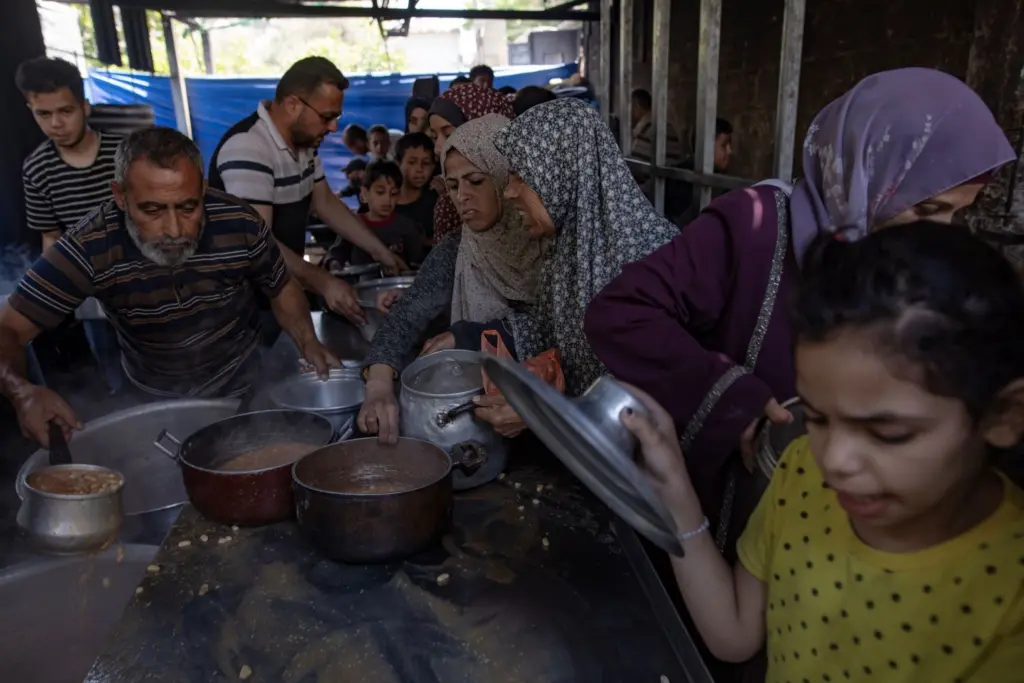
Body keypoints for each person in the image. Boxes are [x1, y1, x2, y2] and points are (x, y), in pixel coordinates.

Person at [584, 68, 1016, 556]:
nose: (941, 233)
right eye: (927, 210)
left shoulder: (910, 270)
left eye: (957, 212)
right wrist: (729, 397)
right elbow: (621, 312)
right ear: (868, 170)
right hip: (733, 525)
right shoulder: (755, 227)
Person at [623, 222, 1024, 681]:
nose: (834, 461)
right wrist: (674, 488)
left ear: (1004, 416)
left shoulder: (1011, 596)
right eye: (816, 418)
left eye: (888, 433)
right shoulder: (801, 472)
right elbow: (733, 636)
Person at [0, 128, 339, 447]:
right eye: (152, 210)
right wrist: (21, 391)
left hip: (248, 388)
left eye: (188, 207)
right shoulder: (90, 246)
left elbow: (281, 286)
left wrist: (307, 341)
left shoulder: (240, 221)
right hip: (155, 403)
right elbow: (9, 329)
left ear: (202, 189)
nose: (174, 230)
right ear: (120, 196)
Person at [464, 98, 678, 435]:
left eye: (520, 176)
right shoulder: (569, 249)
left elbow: (650, 401)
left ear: (563, 172)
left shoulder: (651, 257)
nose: (509, 193)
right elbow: (554, 334)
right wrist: (465, 336)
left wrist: (544, 411)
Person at [357, 114, 548, 443]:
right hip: (482, 422)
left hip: (549, 417)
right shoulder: (457, 248)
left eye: (476, 181)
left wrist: (469, 337)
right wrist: (378, 386)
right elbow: (407, 314)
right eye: (454, 185)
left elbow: (560, 332)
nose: (462, 196)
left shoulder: (548, 241)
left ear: (505, 176)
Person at [208, 57, 404, 326]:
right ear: (292, 105)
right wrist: (323, 282)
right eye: (327, 117)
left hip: (279, 295)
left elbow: (325, 203)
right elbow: (259, 243)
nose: (333, 127)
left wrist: (380, 252)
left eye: (336, 117)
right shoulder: (248, 147)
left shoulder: (305, 146)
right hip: (244, 309)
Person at [16, 57, 121, 251]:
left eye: (66, 111)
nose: (56, 124)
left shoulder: (125, 152)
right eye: (44, 114)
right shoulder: (36, 169)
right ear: (31, 110)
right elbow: (51, 236)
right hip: (86, 265)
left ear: (85, 107)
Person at [428, 83, 515, 241]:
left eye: (449, 134)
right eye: (434, 137)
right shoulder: (449, 207)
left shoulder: (534, 205)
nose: (438, 149)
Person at [326, 160, 425, 269]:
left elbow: (418, 264)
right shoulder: (353, 225)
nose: (387, 200)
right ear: (364, 193)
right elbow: (336, 253)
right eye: (380, 192)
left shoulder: (407, 226)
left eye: (393, 193)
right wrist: (334, 263)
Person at [669, 117, 735, 226]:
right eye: (724, 145)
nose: (729, 151)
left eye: (730, 145)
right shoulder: (675, 179)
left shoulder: (673, 174)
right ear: (706, 147)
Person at [395, 132, 438, 239]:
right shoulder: (385, 203)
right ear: (398, 164)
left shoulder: (437, 204)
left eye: (426, 163)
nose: (419, 169)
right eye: (412, 162)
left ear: (433, 166)